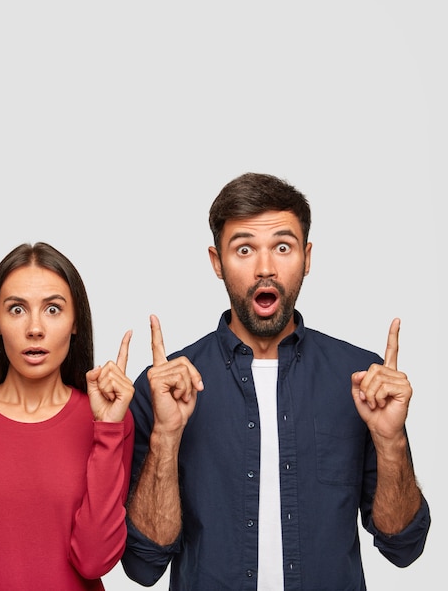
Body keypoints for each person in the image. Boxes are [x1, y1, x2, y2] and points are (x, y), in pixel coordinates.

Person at [122, 173, 431, 591]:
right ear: (217, 262)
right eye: (244, 249)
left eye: (282, 248)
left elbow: (404, 548)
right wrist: (165, 435)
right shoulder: (166, 388)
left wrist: (390, 441)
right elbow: (144, 565)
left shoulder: (360, 380)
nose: (265, 268)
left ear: (306, 257)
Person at [0, 242, 135, 590]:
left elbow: (95, 560)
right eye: (17, 309)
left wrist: (108, 430)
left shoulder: (109, 419)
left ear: (76, 321)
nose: (35, 328)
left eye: (53, 309)